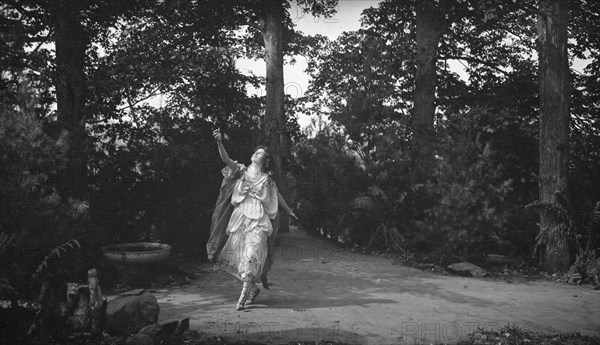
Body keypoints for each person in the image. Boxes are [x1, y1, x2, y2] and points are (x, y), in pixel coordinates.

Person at [207, 129, 296, 310]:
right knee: (238, 258)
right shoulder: (241, 170)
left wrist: (288, 211)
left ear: (265, 160)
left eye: (261, 153)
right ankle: (252, 289)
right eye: (256, 151)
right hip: (240, 219)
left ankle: (242, 297)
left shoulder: (267, 179)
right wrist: (219, 142)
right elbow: (226, 159)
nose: (256, 154)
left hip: (258, 220)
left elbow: (277, 196)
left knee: (251, 255)